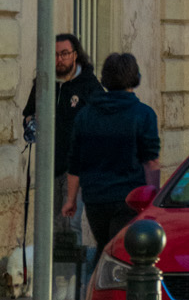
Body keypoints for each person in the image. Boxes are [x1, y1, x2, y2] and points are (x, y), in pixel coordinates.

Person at [62, 52, 160, 268]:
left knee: (105, 247)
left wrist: (71, 199)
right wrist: (153, 195)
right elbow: (151, 161)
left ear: (105, 79)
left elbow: (75, 162)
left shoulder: (85, 115)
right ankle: (101, 286)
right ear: (135, 77)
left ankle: (95, 284)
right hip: (130, 198)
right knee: (119, 254)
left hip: (95, 199)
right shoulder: (144, 115)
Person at [23, 32, 102, 218]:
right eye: (56, 55)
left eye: (65, 54)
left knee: (70, 223)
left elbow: (103, 120)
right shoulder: (43, 83)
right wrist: (31, 121)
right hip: (47, 165)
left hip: (76, 168)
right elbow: (28, 114)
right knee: (48, 222)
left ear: (75, 55)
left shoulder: (88, 84)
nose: (59, 59)